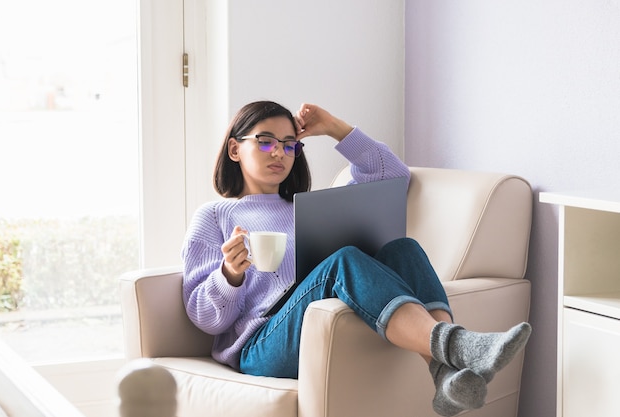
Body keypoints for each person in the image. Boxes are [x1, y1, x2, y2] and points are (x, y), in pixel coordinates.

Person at [181, 100, 532, 416]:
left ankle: (443, 373)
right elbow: (205, 319)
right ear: (234, 149)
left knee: (403, 248)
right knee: (344, 259)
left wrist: (335, 127)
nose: (280, 153)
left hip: (315, 324)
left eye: (290, 145)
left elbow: (393, 176)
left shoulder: (310, 208)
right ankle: (458, 344)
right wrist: (230, 275)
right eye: (266, 141)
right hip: (259, 346)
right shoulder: (215, 216)